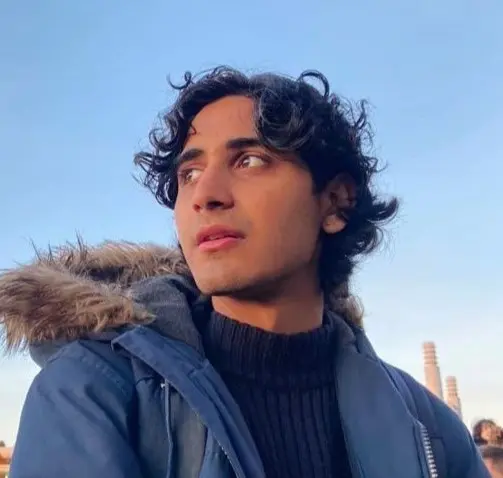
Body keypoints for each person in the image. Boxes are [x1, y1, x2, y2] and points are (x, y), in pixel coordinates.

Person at [1, 67, 488, 478]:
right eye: (188, 174)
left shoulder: (429, 431)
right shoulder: (92, 393)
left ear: (336, 202)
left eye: (249, 160)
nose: (204, 195)